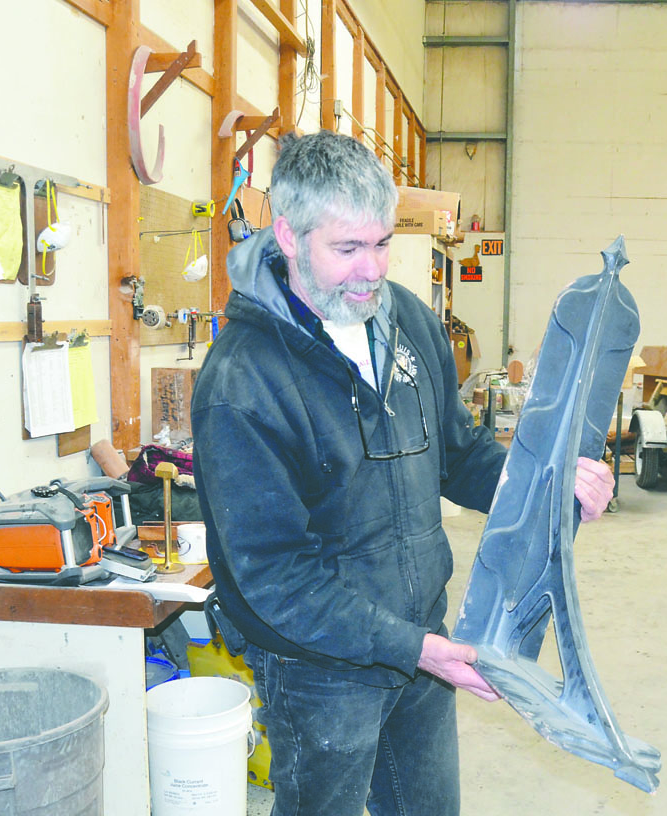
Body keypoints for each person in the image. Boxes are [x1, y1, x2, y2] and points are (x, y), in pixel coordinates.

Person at [191, 130, 615, 816]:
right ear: (290, 237)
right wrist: (412, 647)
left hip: (423, 641)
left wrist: (547, 486)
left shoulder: (409, 322)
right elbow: (272, 575)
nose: (371, 270)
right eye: (348, 249)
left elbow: (458, 453)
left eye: (383, 243)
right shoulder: (243, 381)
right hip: (319, 668)